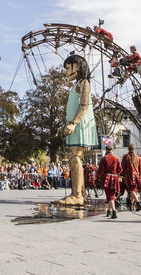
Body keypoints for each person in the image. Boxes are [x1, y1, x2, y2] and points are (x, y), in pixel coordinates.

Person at [57, 54, 99, 206]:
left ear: (77, 67)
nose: (67, 71)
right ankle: (80, 193)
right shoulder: (78, 84)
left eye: (68, 68)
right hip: (77, 123)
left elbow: (84, 104)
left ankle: (77, 195)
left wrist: (74, 123)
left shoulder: (84, 82)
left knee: (75, 156)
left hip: (80, 124)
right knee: (74, 156)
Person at [96, 144, 122, 219]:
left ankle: (114, 211)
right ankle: (109, 210)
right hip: (114, 178)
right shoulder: (116, 159)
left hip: (107, 178)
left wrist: (97, 177)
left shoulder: (104, 159)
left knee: (110, 196)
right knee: (112, 195)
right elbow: (120, 169)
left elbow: (100, 170)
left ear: (106, 150)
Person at [121, 144, 141, 211]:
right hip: (136, 175)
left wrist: (122, 174)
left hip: (129, 175)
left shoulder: (126, 157)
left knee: (132, 190)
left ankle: (138, 203)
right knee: (134, 190)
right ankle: (132, 204)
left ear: (128, 149)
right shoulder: (137, 157)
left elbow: (122, 166)